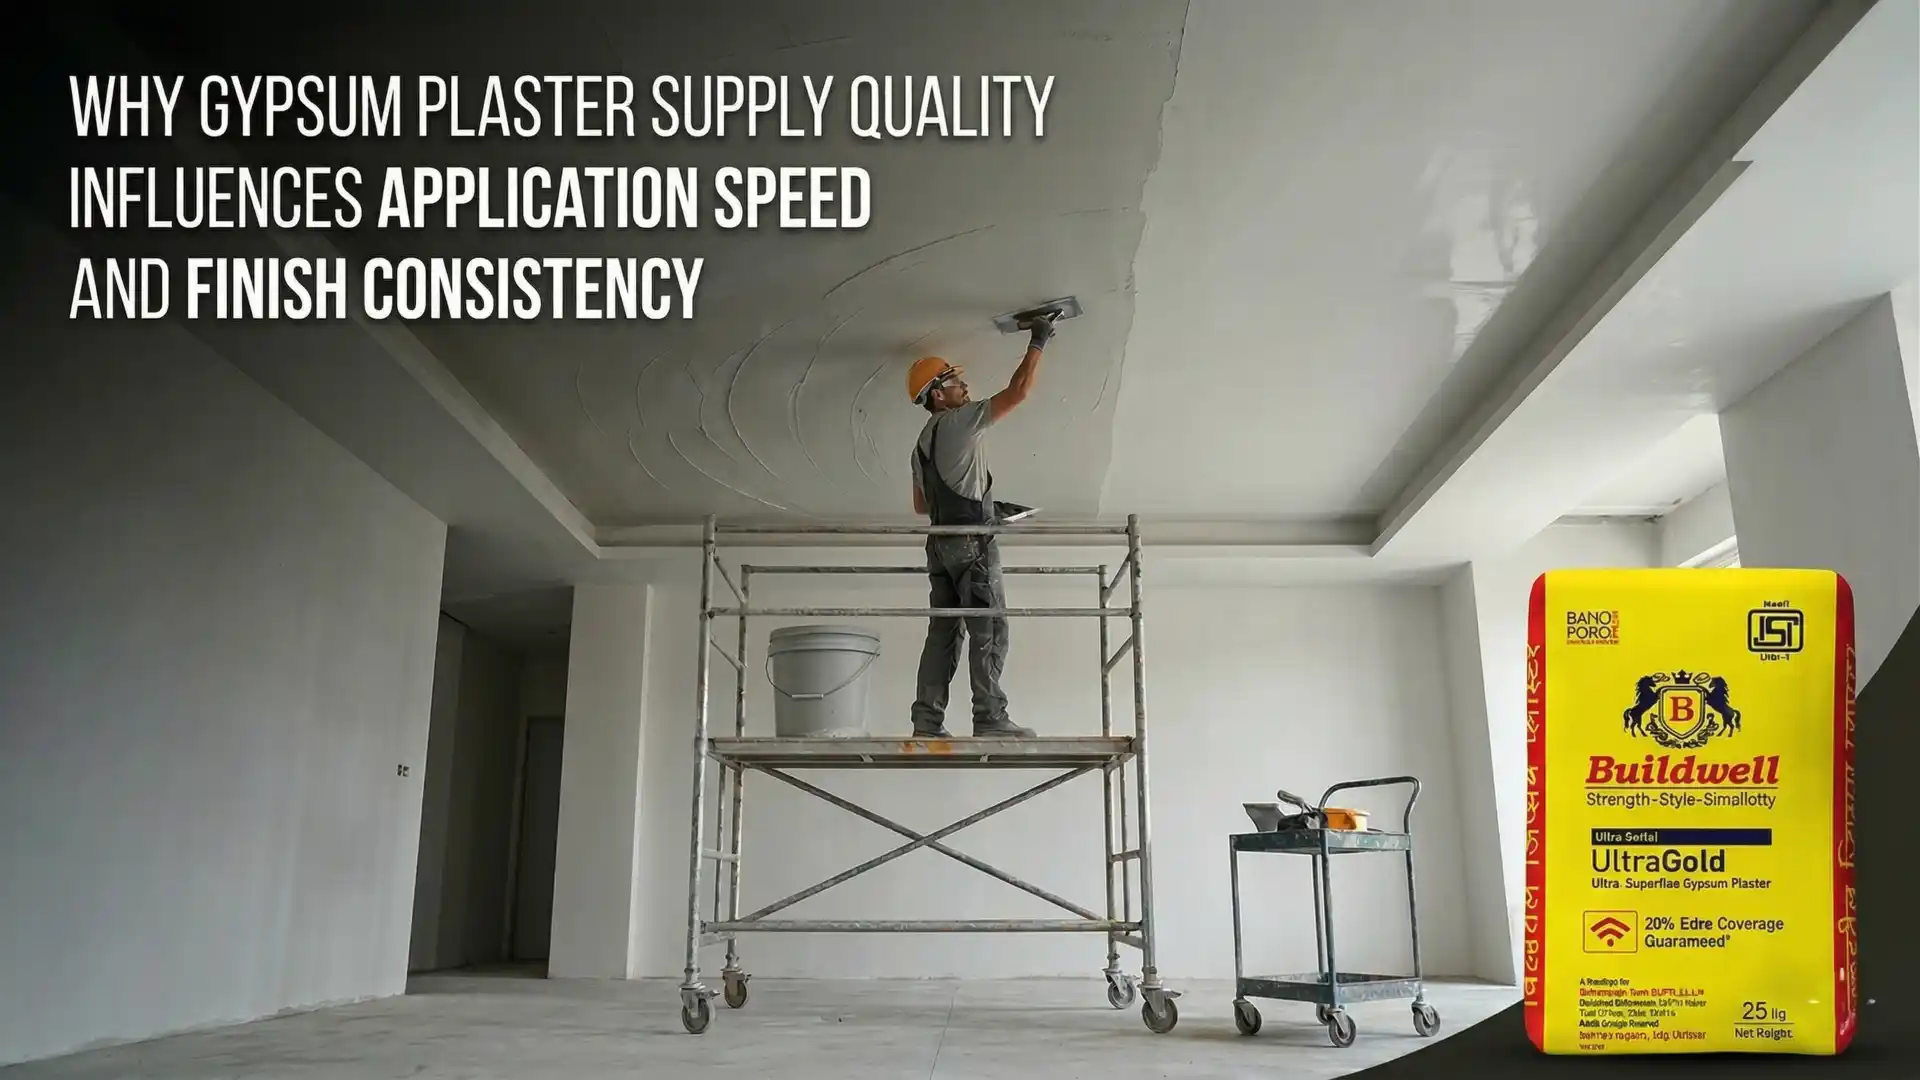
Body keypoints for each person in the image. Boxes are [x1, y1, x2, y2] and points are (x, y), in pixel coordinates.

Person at [901, 312, 1058, 738]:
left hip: (940, 546)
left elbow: (921, 505)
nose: (965, 387)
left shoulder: (920, 446)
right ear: (938, 395)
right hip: (971, 543)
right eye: (955, 382)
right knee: (989, 627)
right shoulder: (959, 421)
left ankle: (926, 723)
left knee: (943, 635)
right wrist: (1039, 340)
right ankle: (989, 717)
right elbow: (1017, 393)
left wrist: (984, 503)